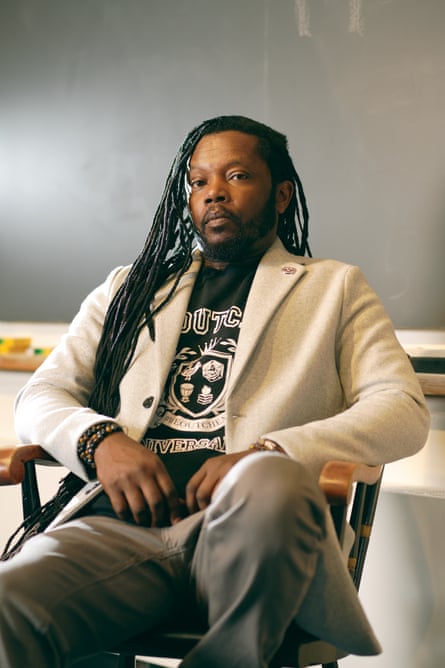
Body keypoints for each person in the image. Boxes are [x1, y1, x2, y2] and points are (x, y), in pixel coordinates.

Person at [0, 115, 429, 668]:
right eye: (198, 182)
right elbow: (41, 396)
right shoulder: (129, 289)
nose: (213, 193)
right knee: (9, 606)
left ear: (280, 195)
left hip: (253, 532)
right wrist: (101, 440)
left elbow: (401, 410)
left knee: (270, 480)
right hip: (121, 531)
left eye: (236, 176)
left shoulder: (334, 288)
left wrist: (265, 454)